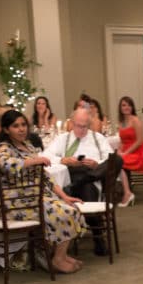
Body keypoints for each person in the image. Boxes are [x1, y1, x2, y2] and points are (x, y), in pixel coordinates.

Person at [0, 110, 86, 274]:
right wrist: (34, 161)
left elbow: (45, 176)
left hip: (36, 198)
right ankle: (57, 259)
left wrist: (64, 196)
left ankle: (60, 255)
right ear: (7, 130)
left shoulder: (28, 146)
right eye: (16, 126)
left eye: (23, 125)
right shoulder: (3, 148)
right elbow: (5, 164)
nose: (21, 129)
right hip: (17, 202)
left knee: (72, 208)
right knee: (64, 212)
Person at [44, 108, 114, 255]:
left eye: (85, 126)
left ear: (89, 124)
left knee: (115, 161)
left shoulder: (97, 138)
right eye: (78, 125)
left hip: (92, 177)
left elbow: (110, 158)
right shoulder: (63, 139)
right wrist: (63, 160)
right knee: (84, 184)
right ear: (71, 123)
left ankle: (83, 182)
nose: (81, 130)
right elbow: (45, 156)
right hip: (71, 179)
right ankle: (98, 237)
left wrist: (97, 163)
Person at [116, 96, 143, 207]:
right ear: (120, 108)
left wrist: (125, 153)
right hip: (128, 150)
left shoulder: (135, 120)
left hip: (139, 151)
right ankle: (124, 191)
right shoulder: (120, 122)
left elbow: (140, 141)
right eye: (124, 105)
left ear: (132, 107)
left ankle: (127, 193)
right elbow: (122, 141)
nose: (126, 107)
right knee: (114, 160)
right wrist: (119, 150)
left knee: (119, 162)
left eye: (129, 105)